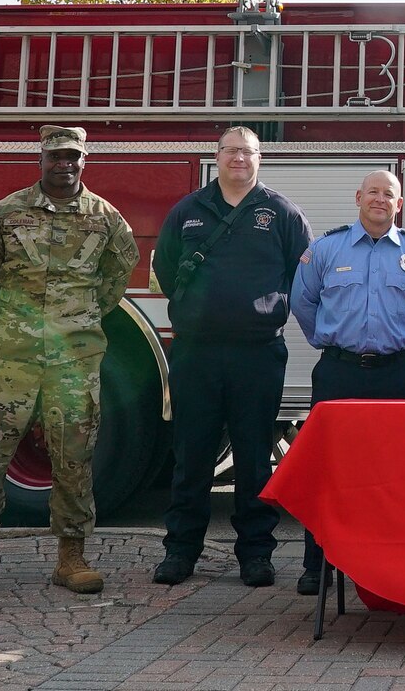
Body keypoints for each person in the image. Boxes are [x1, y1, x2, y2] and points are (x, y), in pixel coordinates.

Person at [0, 125, 138, 599]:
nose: (64, 164)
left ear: (83, 160)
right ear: (42, 160)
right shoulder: (5, 214)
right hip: (13, 359)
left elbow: (118, 274)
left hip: (74, 362)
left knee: (74, 458)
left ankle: (72, 558)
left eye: (72, 156)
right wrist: (11, 321)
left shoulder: (105, 218)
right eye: (55, 156)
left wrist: (80, 317)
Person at [152, 126, 310, 588]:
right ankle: (180, 552)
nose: (238, 158)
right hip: (196, 353)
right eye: (230, 151)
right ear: (216, 157)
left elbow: (305, 274)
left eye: (247, 151)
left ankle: (256, 556)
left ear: (260, 159)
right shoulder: (188, 210)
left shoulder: (281, 213)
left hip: (257, 354)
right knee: (192, 456)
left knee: (255, 458)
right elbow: (164, 267)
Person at [288, 169, 405, 596]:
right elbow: (302, 302)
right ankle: (316, 564)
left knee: (397, 473)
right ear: (358, 197)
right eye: (372, 192)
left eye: (388, 195)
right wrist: (328, 340)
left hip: (397, 374)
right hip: (339, 372)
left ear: (399, 204)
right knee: (328, 469)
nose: (380, 200)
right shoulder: (325, 249)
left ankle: (389, 565)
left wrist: (401, 344)